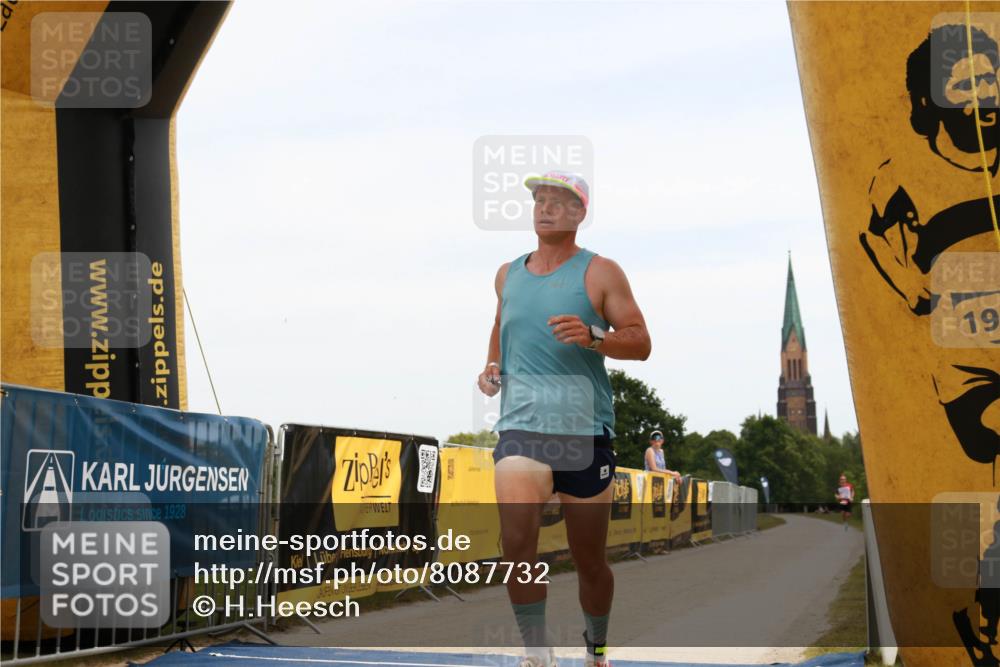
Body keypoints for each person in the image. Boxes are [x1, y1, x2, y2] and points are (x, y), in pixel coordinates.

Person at [477, 170, 651, 667]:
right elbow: (499, 326)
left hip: (583, 433)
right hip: (522, 430)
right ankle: (537, 652)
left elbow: (640, 341)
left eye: (558, 201)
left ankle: (597, 648)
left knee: (590, 559)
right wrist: (493, 366)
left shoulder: (601, 272)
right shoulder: (507, 274)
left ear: (579, 214)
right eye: (539, 199)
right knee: (516, 544)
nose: (545, 207)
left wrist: (596, 337)